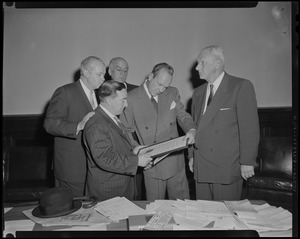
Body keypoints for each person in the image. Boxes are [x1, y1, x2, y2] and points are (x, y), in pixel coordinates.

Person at [189, 45, 260, 201]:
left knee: (225, 217)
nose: (197, 67)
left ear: (217, 63)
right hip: (201, 164)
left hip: (226, 166)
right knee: (203, 215)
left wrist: (247, 161)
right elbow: (194, 127)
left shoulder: (240, 86)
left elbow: (249, 128)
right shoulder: (198, 93)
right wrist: (191, 156)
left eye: (202, 63)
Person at [120, 62, 196, 201]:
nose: (161, 90)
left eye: (165, 86)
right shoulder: (130, 98)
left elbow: (183, 116)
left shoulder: (172, 92)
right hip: (152, 162)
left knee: (183, 206)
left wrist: (191, 130)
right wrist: (136, 149)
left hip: (175, 160)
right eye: (159, 84)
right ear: (150, 76)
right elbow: (125, 130)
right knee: (155, 209)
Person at [44, 56, 106, 197]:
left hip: (92, 167)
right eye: (99, 74)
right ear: (85, 72)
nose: (103, 78)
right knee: (71, 214)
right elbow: (49, 124)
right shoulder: (65, 92)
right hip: (71, 169)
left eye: (104, 74)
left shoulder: (97, 95)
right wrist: (78, 126)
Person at [83, 80, 152, 201]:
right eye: (123, 100)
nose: (126, 105)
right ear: (109, 100)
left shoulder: (111, 117)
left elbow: (116, 147)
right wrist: (136, 161)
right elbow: (105, 158)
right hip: (108, 191)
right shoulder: (96, 123)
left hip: (120, 187)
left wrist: (134, 151)